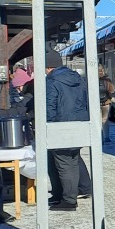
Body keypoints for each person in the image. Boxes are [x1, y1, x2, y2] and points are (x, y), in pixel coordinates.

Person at [44, 49, 90, 211]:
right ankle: (65, 194)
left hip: (60, 126)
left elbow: (49, 107)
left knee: (64, 163)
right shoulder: (78, 79)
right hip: (79, 125)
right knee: (72, 159)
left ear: (48, 67)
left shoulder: (52, 81)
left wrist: (47, 126)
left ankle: (69, 200)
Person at [98, 65, 114, 143]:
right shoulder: (107, 80)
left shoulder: (92, 79)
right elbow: (112, 90)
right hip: (106, 103)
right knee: (105, 120)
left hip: (96, 103)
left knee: (98, 121)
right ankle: (106, 137)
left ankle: (100, 138)